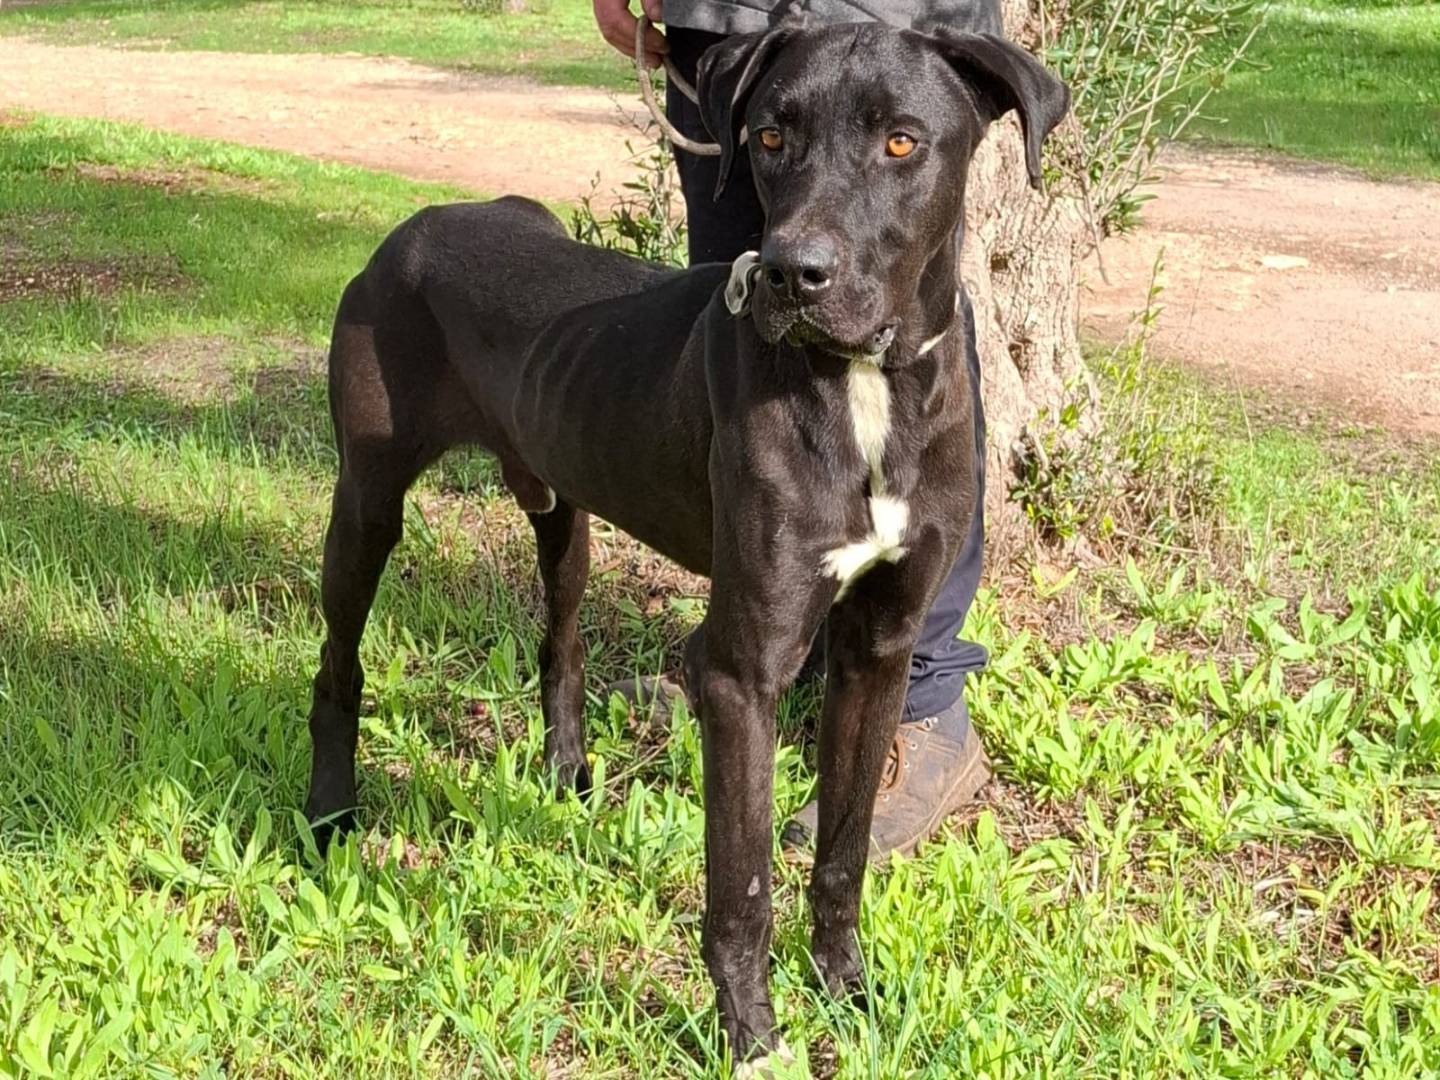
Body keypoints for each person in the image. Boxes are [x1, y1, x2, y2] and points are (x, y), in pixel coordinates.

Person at [593, 0, 997, 858]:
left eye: (899, 147)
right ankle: (755, 649)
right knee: (750, 336)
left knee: (909, 349)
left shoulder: (943, 77)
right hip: (729, 19)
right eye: (772, 145)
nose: (804, 238)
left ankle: (921, 702)